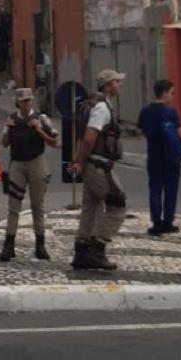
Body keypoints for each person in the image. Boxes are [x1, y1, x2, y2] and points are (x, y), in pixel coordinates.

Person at [70, 69, 126, 270]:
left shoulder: (89, 105)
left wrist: (78, 161)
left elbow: (81, 137)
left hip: (92, 164)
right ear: (108, 85)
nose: (119, 85)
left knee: (90, 207)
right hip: (99, 165)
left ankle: (82, 252)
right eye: (117, 82)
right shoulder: (101, 108)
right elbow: (89, 138)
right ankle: (97, 249)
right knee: (117, 205)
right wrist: (81, 163)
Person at [0, 88, 59, 262]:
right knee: (13, 206)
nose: (27, 103)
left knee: (37, 205)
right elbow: (4, 143)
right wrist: (8, 130)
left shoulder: (41, 118)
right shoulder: (11, 119)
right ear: (17, 102)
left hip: (36, 161)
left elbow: (55, 142)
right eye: (24, 101)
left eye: (29, 100)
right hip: (17, 163)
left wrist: (39, 130)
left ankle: (40, 245)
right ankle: (9, 246)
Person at [137, 79, 181, 236]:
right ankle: (168, 222)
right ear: (165, 92)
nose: (172, 96)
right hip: (171, 157)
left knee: (155, 190)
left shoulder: (145, 111)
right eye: (172, 92)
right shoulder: (170, 111)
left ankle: (156, 222)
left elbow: (142, 131)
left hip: (154, 155)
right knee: (171, 190)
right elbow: (180, 132)